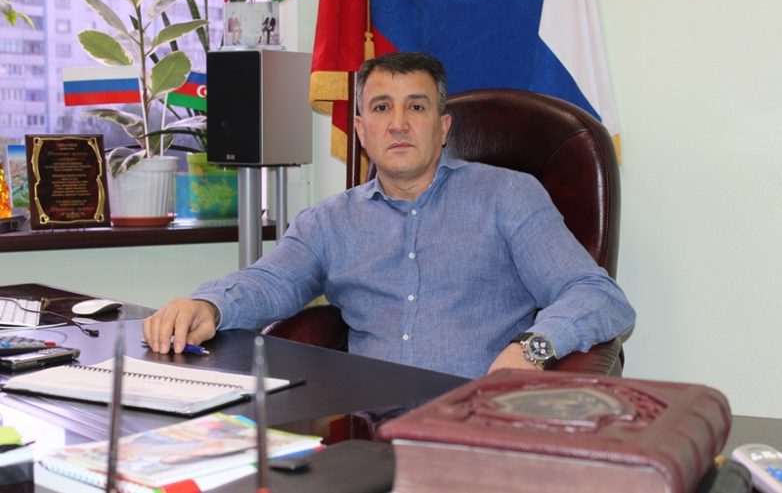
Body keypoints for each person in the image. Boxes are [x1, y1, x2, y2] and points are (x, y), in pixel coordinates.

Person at [143, 52, 635, 379]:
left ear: (443, 126)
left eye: (416, 107)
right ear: (361, 131)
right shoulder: (329, 222)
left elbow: (597, 295)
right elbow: (270, 281)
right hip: (366, 426)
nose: (398, 124)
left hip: (477, 422)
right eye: (381, 108)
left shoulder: (507, 195)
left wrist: (531, 349)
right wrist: (208, 305)